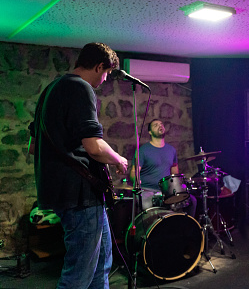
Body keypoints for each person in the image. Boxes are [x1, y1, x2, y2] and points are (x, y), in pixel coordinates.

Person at [28, 42, 129, 288]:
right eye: (105, 73)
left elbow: (33, 145)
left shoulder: (51, 89)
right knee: (80, 273)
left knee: (101, 263)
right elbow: (94, 146)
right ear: (98, 66)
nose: (104, 80)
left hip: (64, 193)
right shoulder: (81, 88)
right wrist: (118, 158)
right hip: (80, 195)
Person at [129, 119, 197, 216]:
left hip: (166, 192)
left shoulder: (171, 150)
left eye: (161, 124)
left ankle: (186, 229)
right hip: (147, 190)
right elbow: (134, 172)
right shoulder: (143, 150)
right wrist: (136, 180)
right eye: (155, 125)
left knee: (191, 201)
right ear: (150, 132)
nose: (160, 126)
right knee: (148, 208)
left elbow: (174, 173)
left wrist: (179, 187)